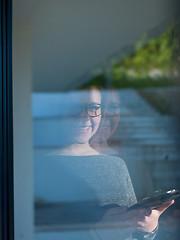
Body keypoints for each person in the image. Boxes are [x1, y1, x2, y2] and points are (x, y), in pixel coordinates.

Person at [35, 88, 174, 240]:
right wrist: (97, 233)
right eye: (73, 108)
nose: (85, 116)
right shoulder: (39, 168)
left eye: (94, 108)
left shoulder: (117, 165)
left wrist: (148, 228)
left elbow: (135, 235)